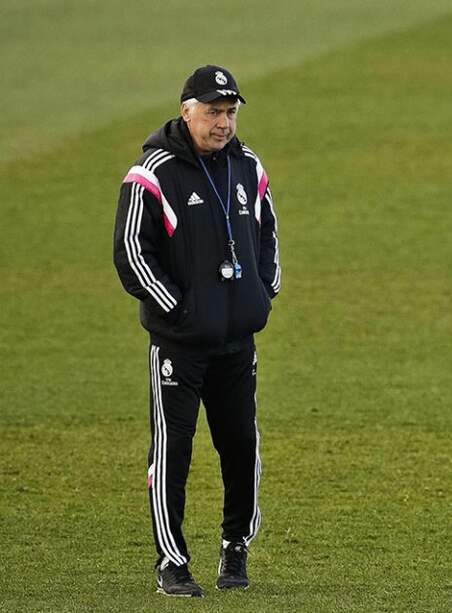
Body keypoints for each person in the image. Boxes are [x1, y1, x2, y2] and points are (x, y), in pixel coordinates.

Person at [113, 65, 281, 597]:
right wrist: (179, 312)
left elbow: (267, 237)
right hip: (179, 347)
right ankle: (172, 561)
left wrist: (260, 293)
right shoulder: (153, 173)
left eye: (230, 112)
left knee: (240, 445)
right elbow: (132, 254)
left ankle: (235, 551)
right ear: (187, 112)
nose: (223, 122)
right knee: (173, 451)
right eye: (212, 112)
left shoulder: (249, 166)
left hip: (237, 341)